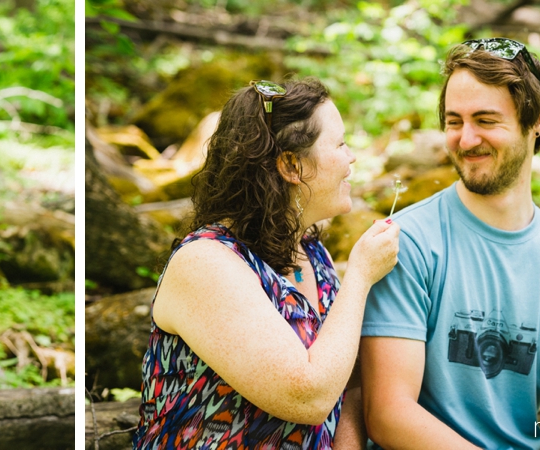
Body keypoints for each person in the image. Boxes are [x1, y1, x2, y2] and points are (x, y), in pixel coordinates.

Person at [360, 37, 540, 449]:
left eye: (486, 120)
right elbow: (388, 414)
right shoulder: (407, 242)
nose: (467, 139)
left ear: (539, 120)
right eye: (454, 121)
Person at [132, 78, 400, 449]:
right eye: (339, 144)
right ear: (292, 165)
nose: (351, 157)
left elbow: (348, 381)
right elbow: (307, 398)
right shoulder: (205, 263)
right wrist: (361, 276)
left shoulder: (310, 252)